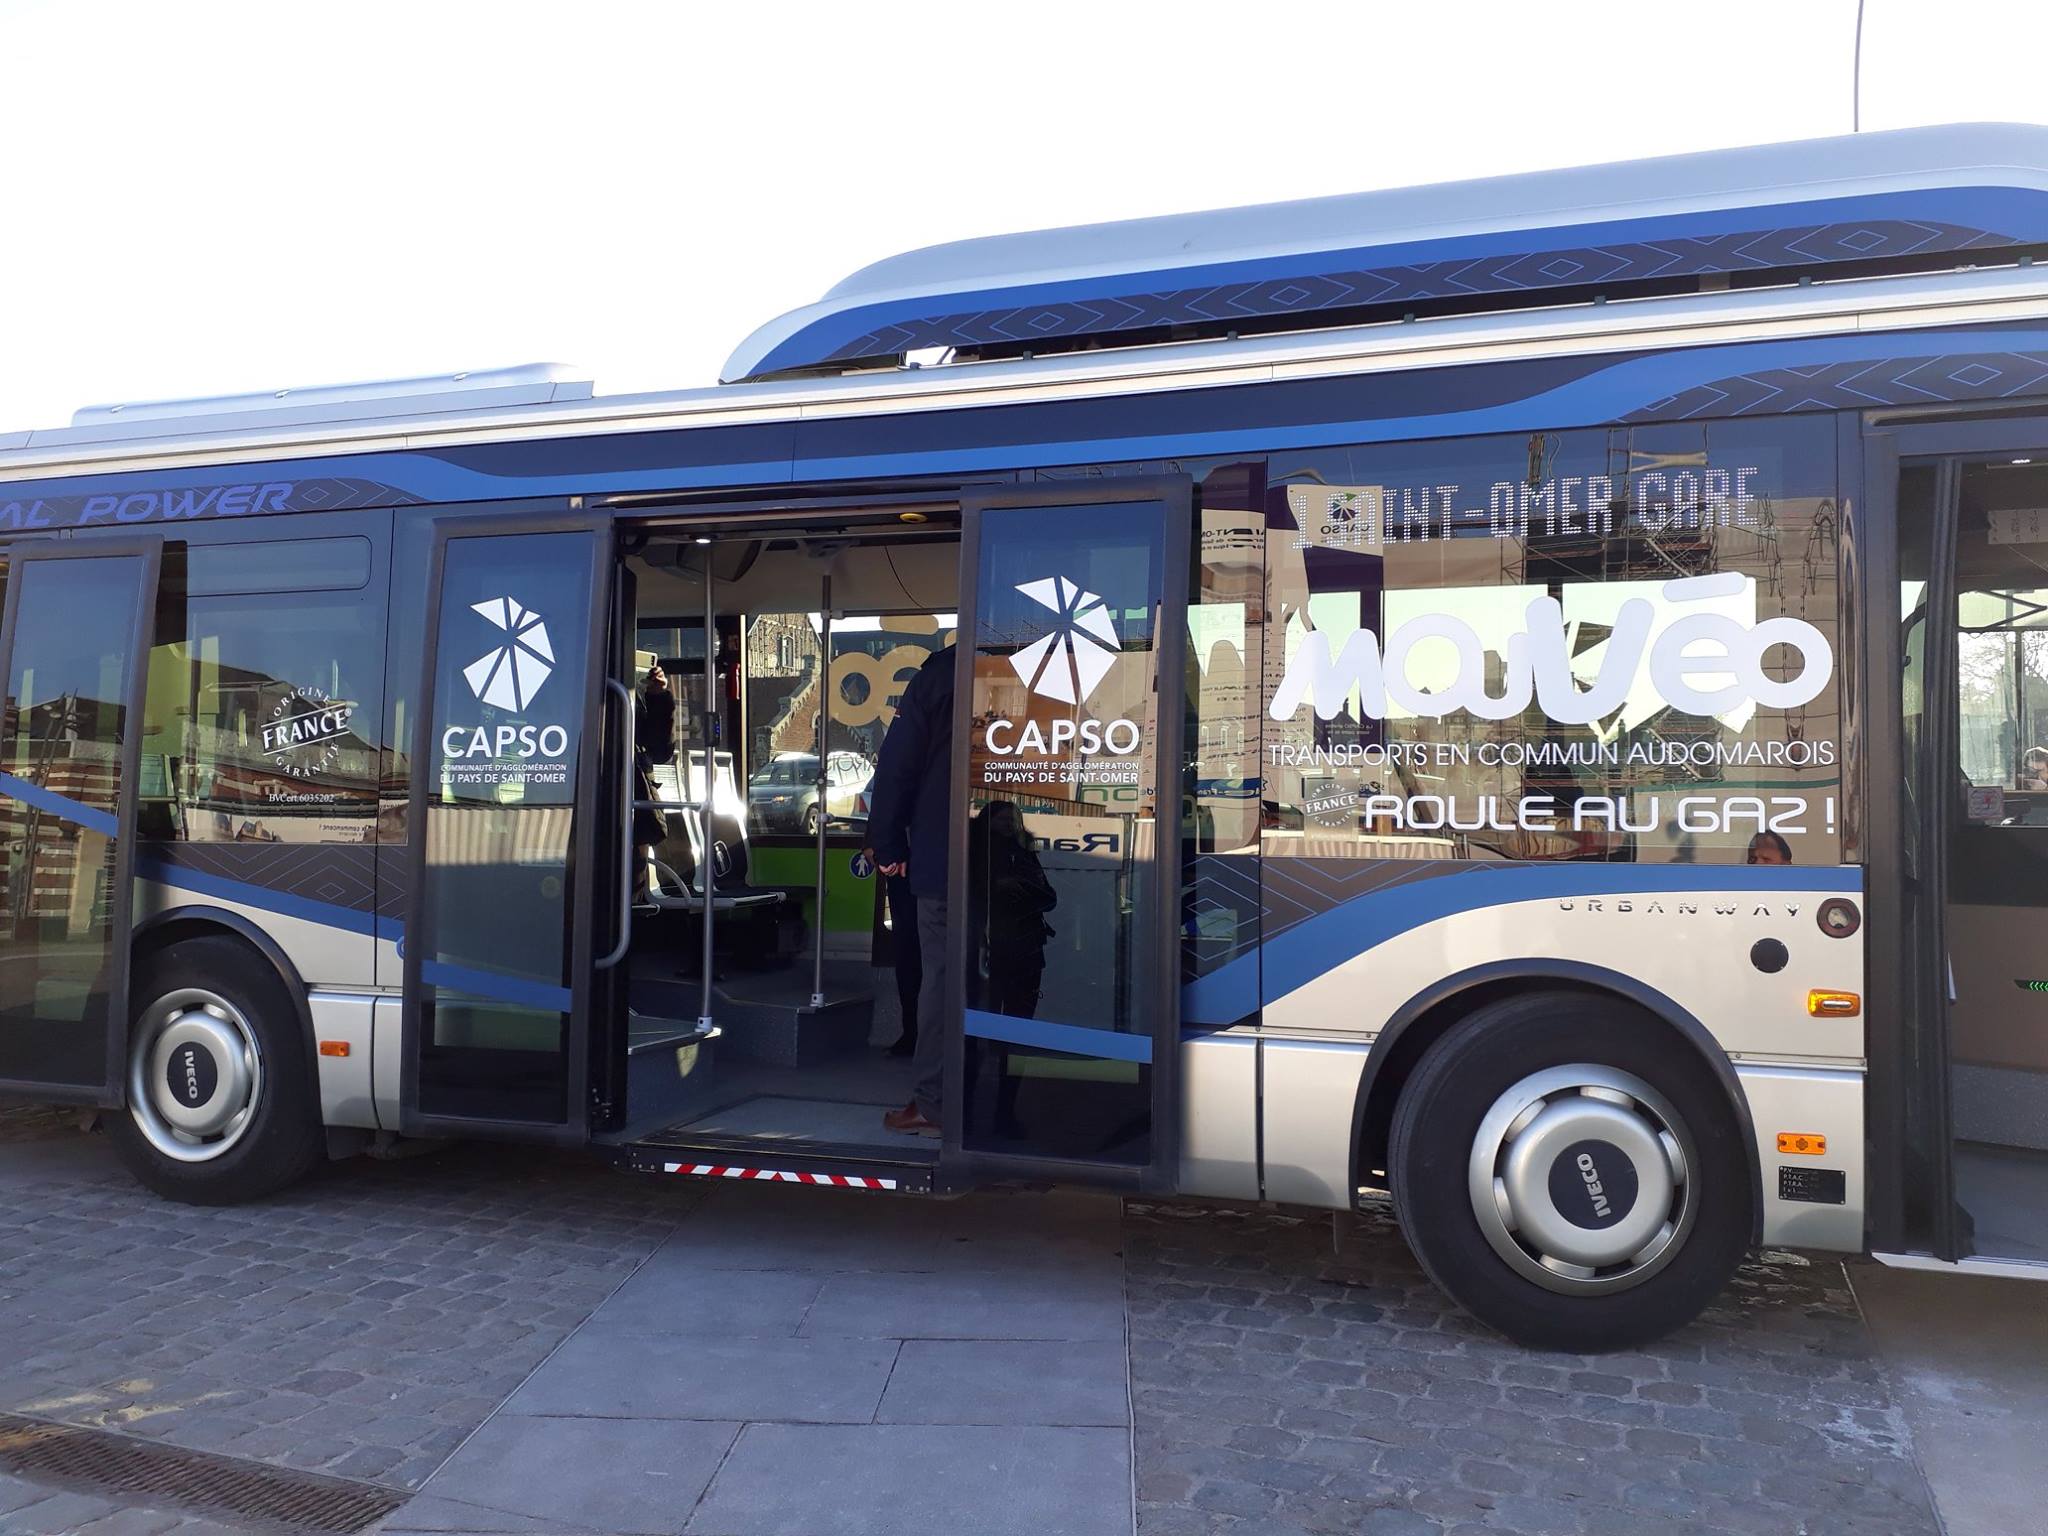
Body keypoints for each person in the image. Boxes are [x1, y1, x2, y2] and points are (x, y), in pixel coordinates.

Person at [865, 646, 955, 1134]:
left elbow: (895, 766)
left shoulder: (939, 676)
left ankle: (935, 1103)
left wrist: (888, 843)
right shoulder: (1046, 669)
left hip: (944, 858)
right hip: (1024, 860)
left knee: (941, 982)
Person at [633, 661, 676, 895]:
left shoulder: (634, 695)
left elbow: (660, 750)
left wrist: (658, 697)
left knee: (633, 886)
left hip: (634, 802)